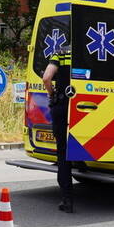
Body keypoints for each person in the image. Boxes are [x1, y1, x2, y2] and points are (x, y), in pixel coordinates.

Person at [42, 44, 74, 212]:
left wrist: (52, 93)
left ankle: (67, 199)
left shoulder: (61, 52)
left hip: (62, 106)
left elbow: (46, 78)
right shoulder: (89, 52)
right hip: (85, 107)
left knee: (63, 153)